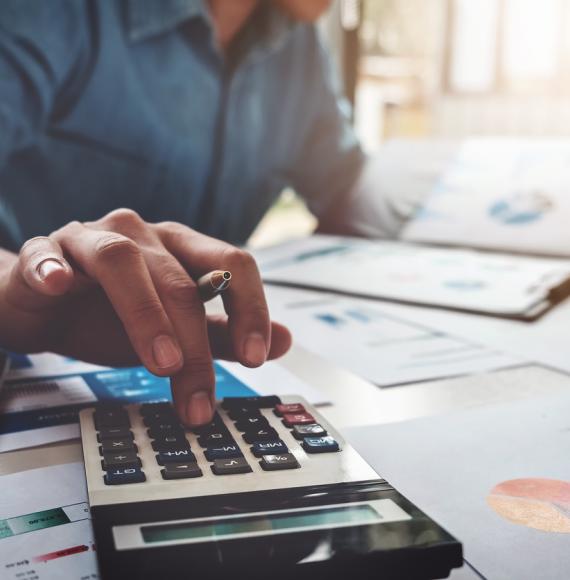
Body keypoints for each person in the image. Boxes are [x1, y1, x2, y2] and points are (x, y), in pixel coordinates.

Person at [0, 0, 402, 425]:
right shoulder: (50, 14)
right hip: (33, 373)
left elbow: (349, 192)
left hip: (194, 376)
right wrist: (10, 289)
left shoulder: (297, 46)